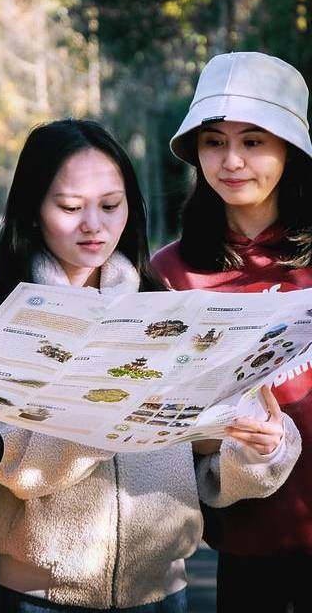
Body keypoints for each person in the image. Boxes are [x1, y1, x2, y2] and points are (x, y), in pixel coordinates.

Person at [0, 119, 301, 613]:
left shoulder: (163, 309)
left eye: (111, 206)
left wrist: (257, 448)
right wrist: (108, 419)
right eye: (70, 207)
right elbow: (17, 469)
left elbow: (208, 476)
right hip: (42, 597)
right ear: (33, 210)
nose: (94, 225)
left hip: (164, 593)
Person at [152, 51, 312, 613]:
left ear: (290, 150)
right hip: (245, 544)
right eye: (214, 141)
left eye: (253, 141)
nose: (232, 161)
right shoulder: (170, 274)